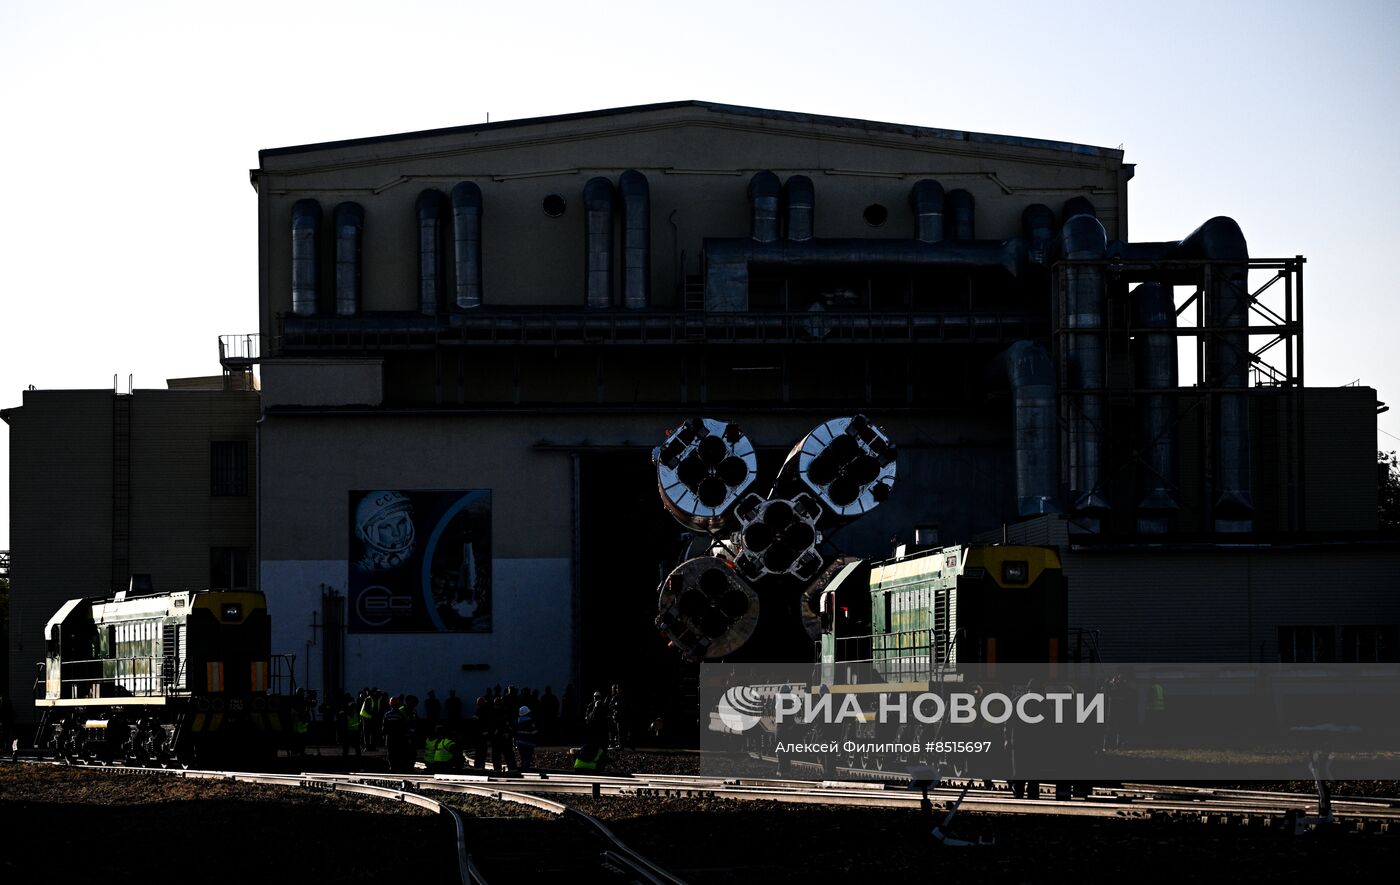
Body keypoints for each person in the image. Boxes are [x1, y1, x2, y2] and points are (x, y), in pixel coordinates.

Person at [514, 705, 539, 771]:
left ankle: (523, 769)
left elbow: (515, 733)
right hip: (529, 743)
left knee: (522, 757)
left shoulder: (518, 722)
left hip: (520, 743)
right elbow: (534, 732)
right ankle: (526, 770)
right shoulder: (530, 722)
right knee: (527, 758)